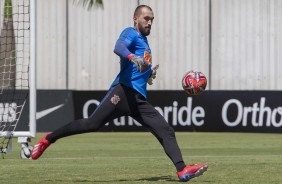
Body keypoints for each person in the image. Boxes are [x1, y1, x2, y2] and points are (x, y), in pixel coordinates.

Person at [31, 5, 208, 182]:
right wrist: (132, 57)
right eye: (146, 18)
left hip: (137, 100)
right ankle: (48, 139)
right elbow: (119, 47)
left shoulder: (145, 43)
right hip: (123, 92)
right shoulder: (130, 32)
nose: (149, 22)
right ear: (135, 18)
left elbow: (138, 67)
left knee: (165, 130)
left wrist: (148, 74)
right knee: (91, 124)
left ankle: (182, 170)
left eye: (152, 19)